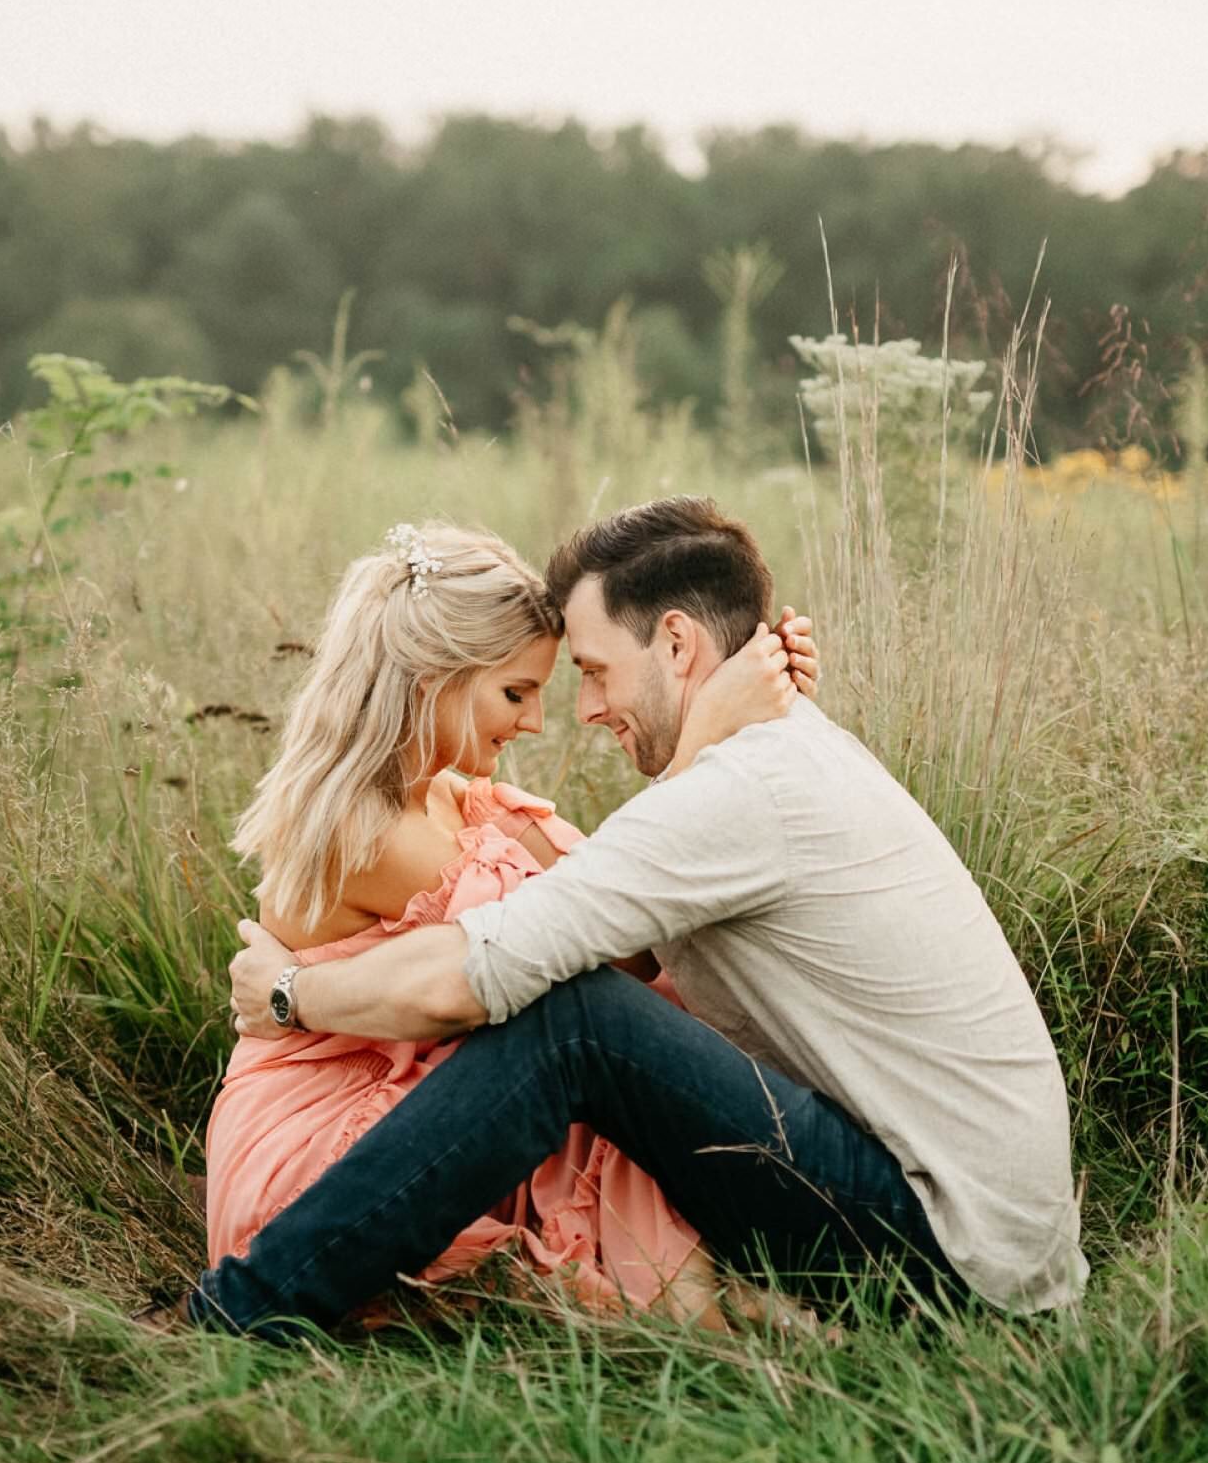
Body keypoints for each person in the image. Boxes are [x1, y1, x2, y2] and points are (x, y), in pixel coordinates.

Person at [189, 497, 1086, 1339]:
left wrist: (289, 992)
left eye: (593, 672)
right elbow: (624, 913)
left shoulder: (740, 792)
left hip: (953, 1259)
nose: (580, 712)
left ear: (678, 643)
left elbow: (476, 975)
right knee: (592, 1015)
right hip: (972, 1231)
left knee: (578, 1024)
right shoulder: (773, 757)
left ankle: (240, 1311)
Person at [202, 520, 821, 1329]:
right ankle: (699, 1302)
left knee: (604, 1034)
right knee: (583, 1030)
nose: (533, 723)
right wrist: (708, 737)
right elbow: (596, 944)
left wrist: (728, 697)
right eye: (515, 693)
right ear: (433, 679)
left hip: (423, 1094)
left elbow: (632, 935)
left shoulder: (460, 802)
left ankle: (712, 1281)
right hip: (340, 1149)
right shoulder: (368, 835)